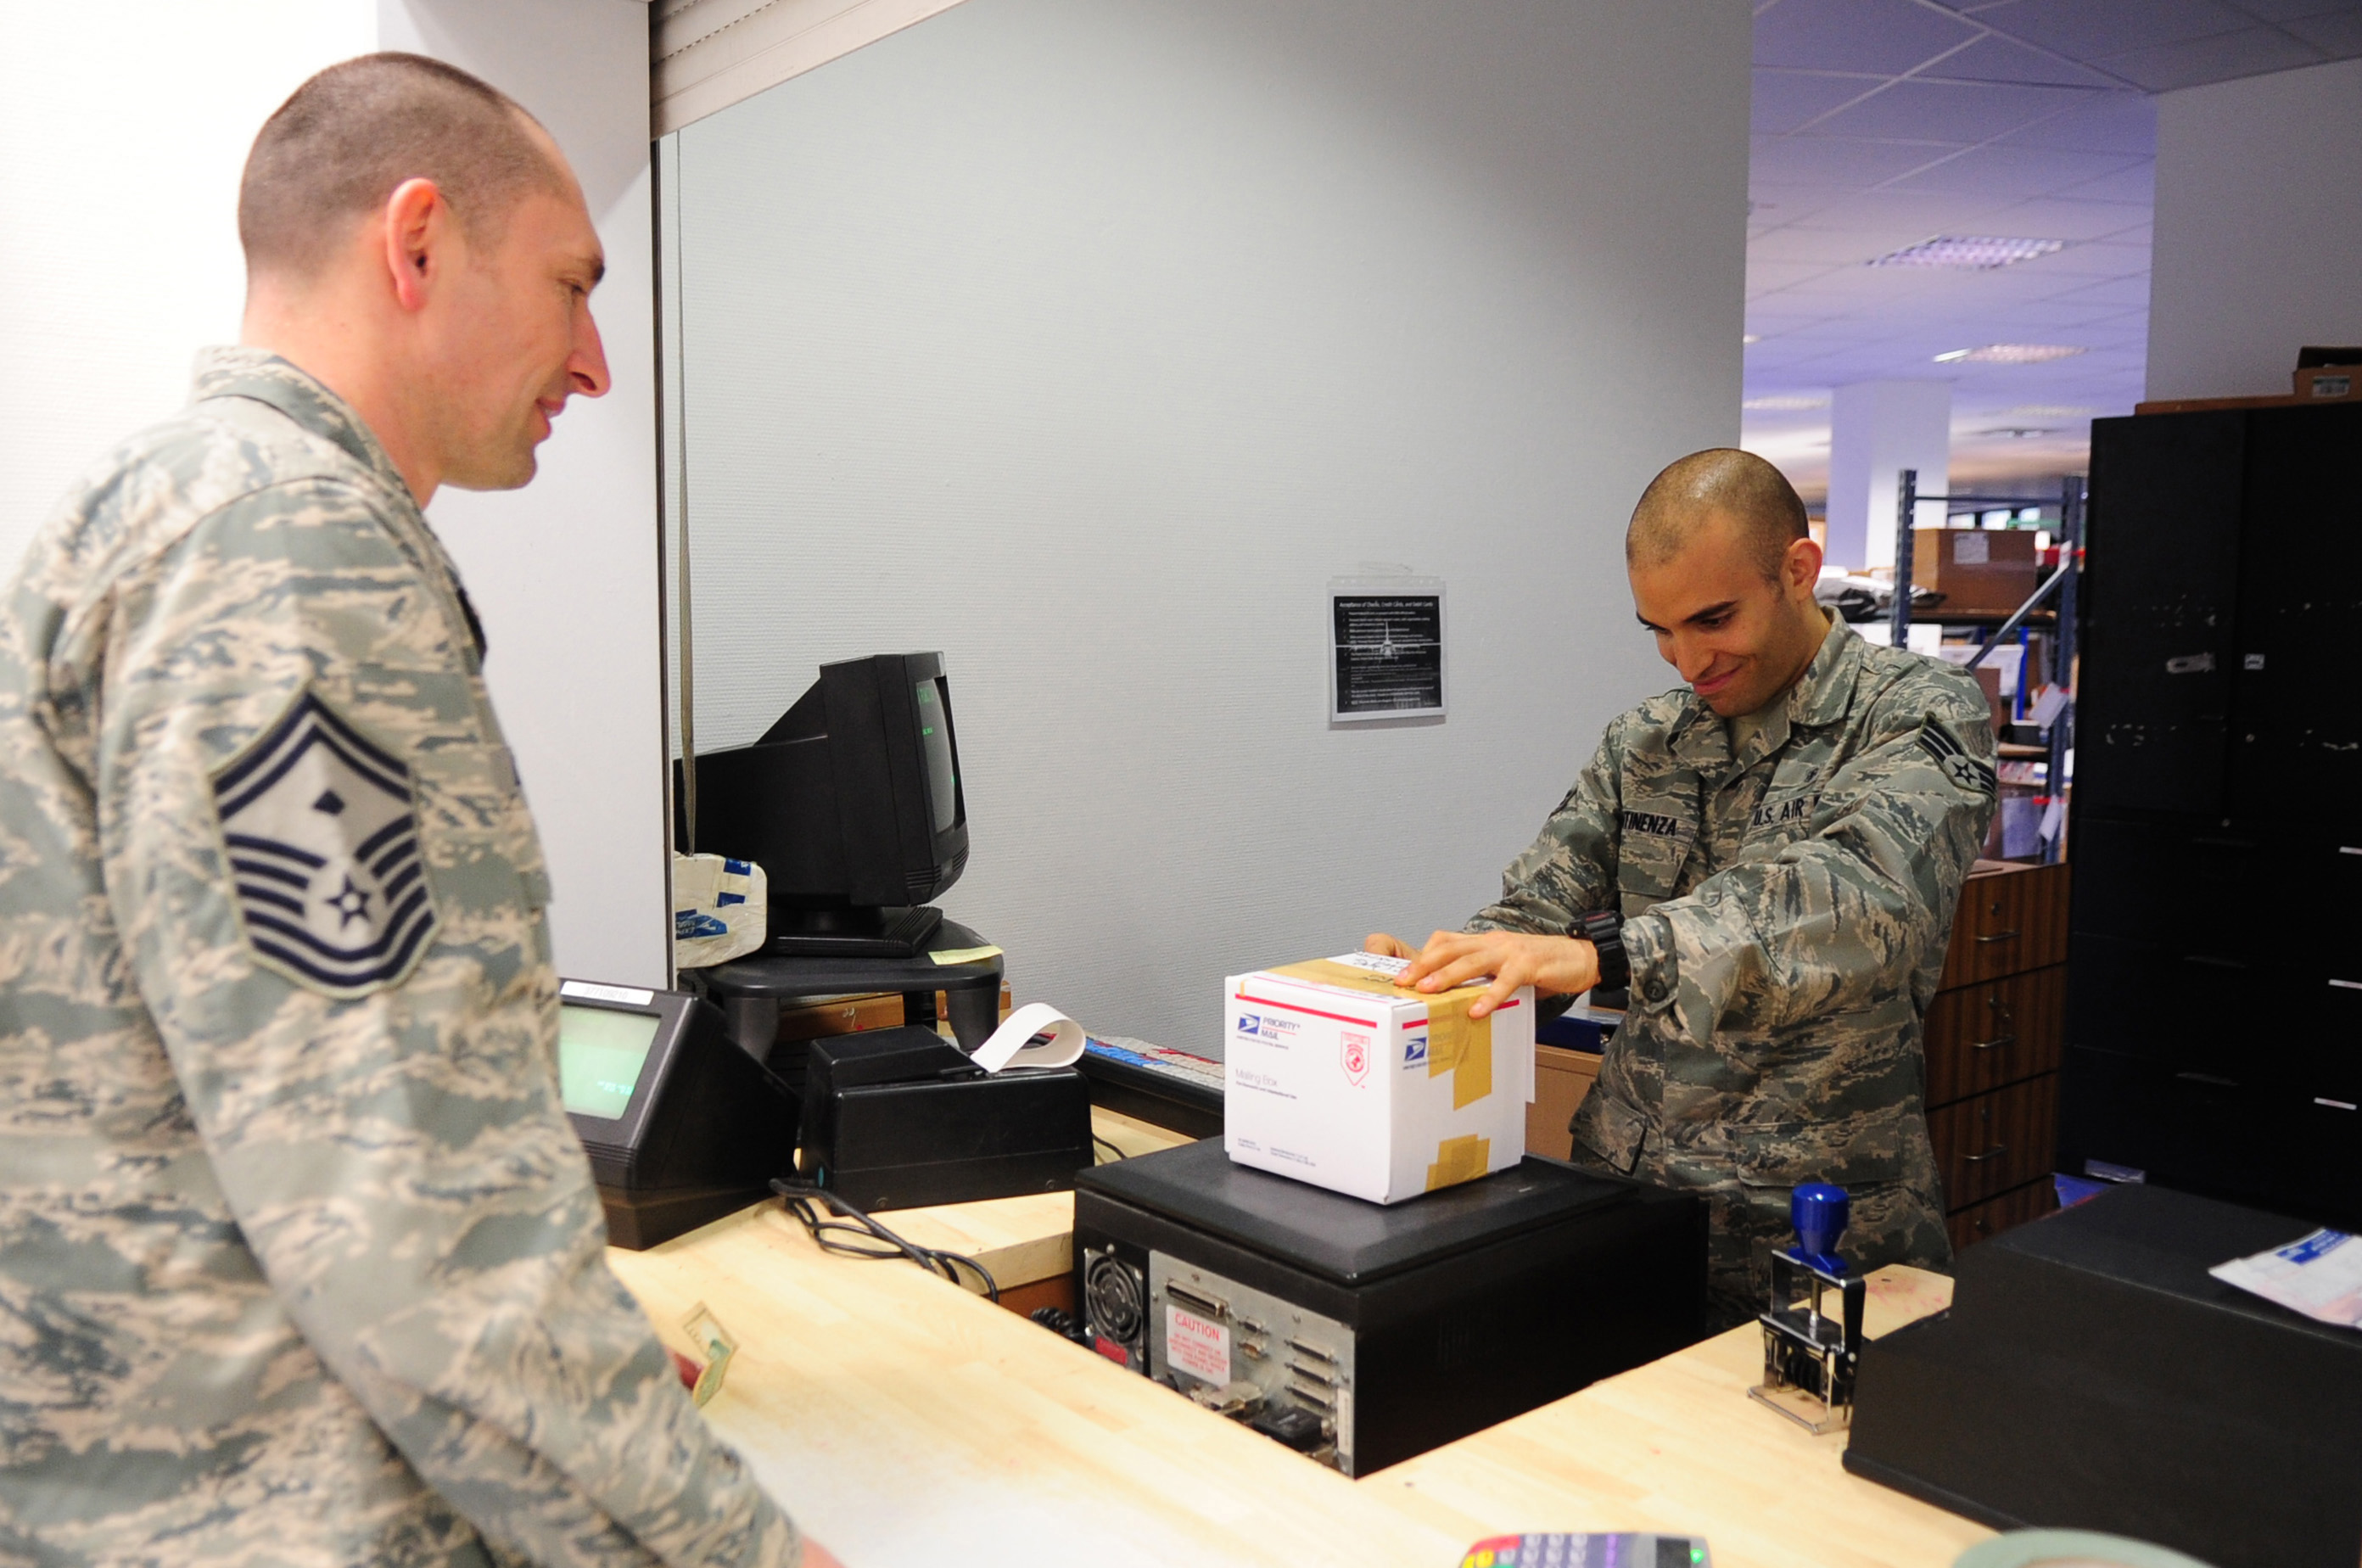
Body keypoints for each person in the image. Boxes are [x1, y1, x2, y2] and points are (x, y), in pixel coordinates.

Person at [0, 54, 834, 1566]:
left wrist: (564, 1347)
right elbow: (409, 1227)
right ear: (419, 241)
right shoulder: (291, 552)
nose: (591, 360)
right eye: (570, 284)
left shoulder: (152, 503)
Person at [1367, 449, 1997, 1328]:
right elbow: (1538, 907)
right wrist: (1449, 979)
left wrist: (1614, 954)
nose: (1686, 659)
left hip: (1815, 1229)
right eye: (1658, 629)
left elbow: (1854, 899)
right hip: (1627, 1204)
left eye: (1712, 618)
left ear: (1797, 570)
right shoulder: (1647, 743)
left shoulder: (1917, 714)